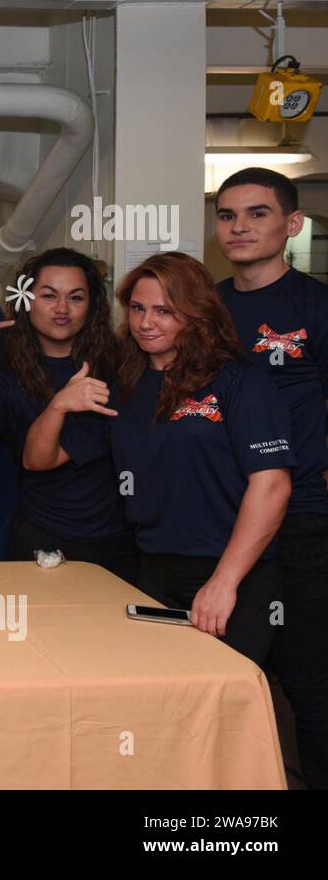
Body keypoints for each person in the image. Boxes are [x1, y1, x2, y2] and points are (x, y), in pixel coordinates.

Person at [25, 252, 292, 665]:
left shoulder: (241, 382)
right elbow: (39, 460)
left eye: (165, 311)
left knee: (222, 704)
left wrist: (225, 581)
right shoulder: (122, 385)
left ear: (196, 314)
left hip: (231, 573)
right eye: (137, 309)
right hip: (150, 571)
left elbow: (272, 485)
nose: (146, 323)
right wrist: (59, 406)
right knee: (162, 703)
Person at [214, 166, 328, 789]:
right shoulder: (203, 306)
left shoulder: (315, 307)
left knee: (308, 681)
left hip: (301, 517)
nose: (239, 226)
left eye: (257, 213)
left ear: (292, 224)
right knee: (222, 673)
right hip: (219, 520)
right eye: (227, 215)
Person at [0, 247, 136, 581]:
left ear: (91, 306)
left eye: (76, 297)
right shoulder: (12, 374)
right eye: (49, 295)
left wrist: (59, 403)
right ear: (26, 300)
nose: (62, 308)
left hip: (108, 543)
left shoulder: (111, 371)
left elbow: (40, 459)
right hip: (39, 540)